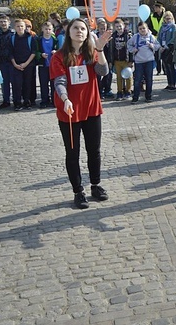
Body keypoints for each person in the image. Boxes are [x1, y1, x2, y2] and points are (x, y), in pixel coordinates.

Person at [50, 18, 112, 209]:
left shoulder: (91, 52)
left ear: (87, 33)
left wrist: (100, 49)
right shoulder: (59, 57)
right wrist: (65, 98)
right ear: (68, 33)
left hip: (92, 108)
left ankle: (95, 184)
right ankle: (78, 191)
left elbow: (103, 71)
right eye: (75, 28)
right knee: (73, 152)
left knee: (94, 150)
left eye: (83, 28)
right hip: (69, 112)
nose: (79, 31)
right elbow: (59, 82)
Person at [127, 21, 159, 103]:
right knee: (137, 80)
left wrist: (153, 46)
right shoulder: (135, 37)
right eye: (140, 29)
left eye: (144, 28)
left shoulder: (151, 37)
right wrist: (133, 50)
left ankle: (148, 96)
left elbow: (157, 45)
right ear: (138, 29)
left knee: (149, 79)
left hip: (149, 61)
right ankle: (135, 97)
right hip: (139, 62)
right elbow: (129, 44)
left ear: (147, 28)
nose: (142, 30)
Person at [36, 22, 59, 108]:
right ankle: (44, 100)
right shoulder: (39, 40)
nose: (47, 31)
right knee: (43, 84)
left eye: (49, 29)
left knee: (54, 84)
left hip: (53, 66)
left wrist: (55, 52)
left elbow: (59, 50)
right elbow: (36, 51)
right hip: (43, 65)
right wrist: (41, 55)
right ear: (42, 29)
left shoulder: (55, 40)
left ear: (52, 30)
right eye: (46, 29)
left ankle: (54, 100)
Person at [110, 19, 133, 101]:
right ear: (114, 27)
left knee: (128, 77)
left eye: (120, 26)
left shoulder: (128, 36)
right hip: (117, 60)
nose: (119, 28)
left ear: (123, 26)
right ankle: (119, 92)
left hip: (126, 60)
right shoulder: (113, 36)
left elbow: (131, 49)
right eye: (117, 26)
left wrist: (131, 60)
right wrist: (111, 61)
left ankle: (128, 91)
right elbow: (111, 49)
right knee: (119, 77)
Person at [158, 11, 176, 91]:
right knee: (166, 67)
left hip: (169, 48)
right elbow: (159, 37)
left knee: (171, 67)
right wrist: (160, 46)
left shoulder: (173, 26)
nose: (168, 20)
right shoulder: (162, 27)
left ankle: (173, 83)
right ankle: (169, 83)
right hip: (162, 48)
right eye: (167, 18)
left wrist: (167, 45)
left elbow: (174, 37)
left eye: (170, 18)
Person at [146, 1, 165, 74]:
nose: (155, 9)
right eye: (154, 8)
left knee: (164, 54)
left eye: (157, 7)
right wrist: (155, 32)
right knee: (156, 55)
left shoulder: (165, 16)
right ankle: (158, 70)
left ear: (160, 8)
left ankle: (165, 69)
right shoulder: (152, 16)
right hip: (155, 37)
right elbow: (149, 26)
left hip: (163, 37)